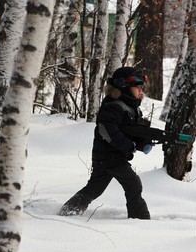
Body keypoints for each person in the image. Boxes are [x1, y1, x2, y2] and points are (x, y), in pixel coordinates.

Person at [57, 66, 154, 220]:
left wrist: (143, 142)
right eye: (137, 87)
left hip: (109, 156)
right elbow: (109, 132)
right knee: (133, 184)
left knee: (95, 188)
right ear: (125, 87)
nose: (140, 91)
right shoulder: (112, 107)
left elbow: (131, 131)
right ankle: (140, 218)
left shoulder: (132, 108)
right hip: (110, 156)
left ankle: (69, 211)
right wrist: (130, 146)